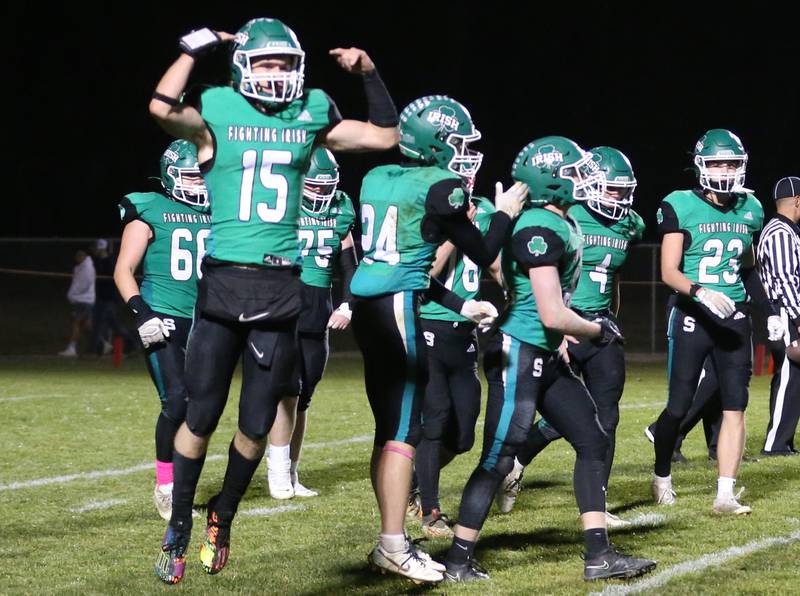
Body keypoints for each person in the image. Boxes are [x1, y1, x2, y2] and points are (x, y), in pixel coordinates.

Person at [148, 17, 400, 585]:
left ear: (298, 68)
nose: (275, 72)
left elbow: (385, 136)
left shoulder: (310, 111)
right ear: (242, 68)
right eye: (265, 62)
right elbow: (163, 108)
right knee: (201, 413)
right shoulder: (217, 107)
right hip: (223, 283)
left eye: (284, 63)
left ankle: (224, 513)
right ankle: (180, 527)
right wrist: (192, 49)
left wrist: (370, 73)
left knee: (258, 422)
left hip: (282, 288)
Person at [443, 136, 655, 583]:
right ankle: (458, 559)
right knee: (498, 458)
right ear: (553, 180)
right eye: (576, 171)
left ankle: (598, 555)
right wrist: (598, 329)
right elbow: (551, 311)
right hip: (518, 352)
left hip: (544, 351)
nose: (586, 178)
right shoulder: (539, 227)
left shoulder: (561, 222)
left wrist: (558, 337)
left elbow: (506, 275)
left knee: (592, 438)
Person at [350, 95, 526, 583]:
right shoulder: (440, 185)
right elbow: (485, 247)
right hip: (397, 309)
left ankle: (391, 539)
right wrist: (506, 211)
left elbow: (402, 260)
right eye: (458, 143)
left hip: (369, 304)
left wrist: (459, 305)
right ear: (434, 143)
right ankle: (392, 544)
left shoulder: (377, 177)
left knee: (389, 428)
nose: (465, 154)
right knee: (405, 430)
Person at [495, 146, 645, 529]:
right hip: (563, 325)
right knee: (539, 412)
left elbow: (612, 279)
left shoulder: (631, 224)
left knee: (605, 416)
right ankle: (515, 459)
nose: (618, 198)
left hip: (599, 325)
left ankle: (598, 503)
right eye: (611, 189)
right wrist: (557, 327)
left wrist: (610, 317)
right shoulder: (566, 215)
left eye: (623, 190)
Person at [651, 129, 763, 515]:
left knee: (735, 406)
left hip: (732, 319)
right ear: (701, 165)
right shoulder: (679, 204)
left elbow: (748, 265)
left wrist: (758, 305)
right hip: (693, 315)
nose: (725, 169)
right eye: (717, 162)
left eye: (731, 162)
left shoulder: (750, 207)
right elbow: (668, 270)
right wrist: (700, 292)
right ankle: (662, 473)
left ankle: (725, 494)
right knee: (679, 406)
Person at [114, 140, 210, 521]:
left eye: (202, 177)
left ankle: (182, 485)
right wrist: (141, 313)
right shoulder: (149, 207)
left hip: (205, 319)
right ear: (171, 176)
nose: (200, 185)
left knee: (202, 407)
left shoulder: (217, 212)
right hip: (162, 316)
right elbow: (124, 269)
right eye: (191, 177)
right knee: (176, 400)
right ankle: (167, 488)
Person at [266, 147, 358, 499]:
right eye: (314, 186)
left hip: (319, 310)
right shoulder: (281, 202)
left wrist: (349, 304)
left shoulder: (342, 208)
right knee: (286, 393)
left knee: (303, 398)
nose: (321, 193)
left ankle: (291, 471)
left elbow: (351, 264)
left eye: (326, 186)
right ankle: (276, 473)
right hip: (286, 307)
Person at [414, 192, 502, 539]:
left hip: (465, 334)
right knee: (434, 418)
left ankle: (413, 482)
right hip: (430, 325)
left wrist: (509, 294)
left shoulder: (488, 211)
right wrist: (457, 227)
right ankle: (430, 509)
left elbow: (493, 262)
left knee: (464, 433)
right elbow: (429, 270)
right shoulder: (433, 211)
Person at [758, 176, 800, 455]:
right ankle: (776, 443)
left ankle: (782, 440)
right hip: (784, 311)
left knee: (791, 376)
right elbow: (786, 280)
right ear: (797, 201)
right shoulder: (781, 233)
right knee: (788, 374)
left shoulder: (782, 230)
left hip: (784, 311)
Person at [59, 247, 95, 357]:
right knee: (86, 325)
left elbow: (83, 284)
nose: (77, 258)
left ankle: (72, 348)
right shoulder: (82, 267)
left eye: (79, 255)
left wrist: (73, 294)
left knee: (76, 323)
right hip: (84, 300)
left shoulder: (87, 268)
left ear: (83, 256)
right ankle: (101, 343)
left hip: (83, 300)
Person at [92, 238, 122, 355]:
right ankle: (104, 347)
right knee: (104, 324)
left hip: (109, 299)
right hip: (101, 298)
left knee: (112, 324)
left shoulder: (110, 261)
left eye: (95, 248)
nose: (94, 250)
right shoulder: (98, 262)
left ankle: (131, 343)